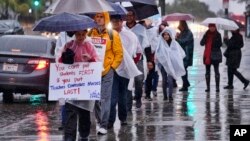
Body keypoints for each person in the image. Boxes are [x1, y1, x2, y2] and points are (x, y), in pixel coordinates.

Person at [88, 12, 123, 135]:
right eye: (97, 16)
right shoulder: (90, 33)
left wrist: (112, 67)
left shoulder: (113, 34)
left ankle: (104, 124)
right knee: (95, 98)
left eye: (101, 16)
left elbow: (119, 54)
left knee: (105, 98)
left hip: (107, 70)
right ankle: (99, 120)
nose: (99, 19)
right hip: (92, 70)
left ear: (106, 18)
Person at [61, 30, 99, 141]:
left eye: (83, 34)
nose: (81, 37)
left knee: (84, 113)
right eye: (78, 34)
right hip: (71, 85)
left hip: (86, 86)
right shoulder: (68, 45)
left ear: (86, 34)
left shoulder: (90, 46)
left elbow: (97, 63)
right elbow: (60, 62)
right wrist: (65, 57)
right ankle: (69, 138)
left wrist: (90, 59)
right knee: (70, 113)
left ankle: (83, 135)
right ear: (75, 34)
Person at [108, 15, 142, 128]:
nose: (115, 23)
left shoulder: (130, 35)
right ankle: (110, 120)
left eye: (117, 21)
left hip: (125, 70)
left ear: (121, 22)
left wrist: (132, 62)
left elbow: (138, 51)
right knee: (112, 97)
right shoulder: (107, 35)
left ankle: (123, 118)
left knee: (123, 96)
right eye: (112, 21)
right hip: (111, 69)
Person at [125, 10, 150, 108]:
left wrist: (150, 60)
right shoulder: (122, 28)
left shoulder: (140, 28)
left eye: (131, 15)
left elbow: (147, 44)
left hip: (138, 57)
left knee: (139, 79)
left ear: (134, 16)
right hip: (126, 58)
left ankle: (138, 97)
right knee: (127, 80)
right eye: (127, 15)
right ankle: (128, 102)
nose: (129, 17)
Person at [155, 27, 186, 101]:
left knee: (170, 79)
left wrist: (171, 57)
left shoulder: (174, 44)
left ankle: (170, 96)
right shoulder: (160, 44)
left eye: (167, 34)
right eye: (164, 34)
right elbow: (158, 54)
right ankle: (165, 96)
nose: (166, 36)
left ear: (170, 35)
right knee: (164, 79)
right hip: (163, 64)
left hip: (171, 64)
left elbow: (179, 54)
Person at [200, 24, 222, 92]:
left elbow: (220, 44)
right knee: (207, 72)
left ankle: (217, 88)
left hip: (215, 55)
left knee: (216, 71)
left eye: (213, 27)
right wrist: (205, 39)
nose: (212, 28)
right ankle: (208, 88)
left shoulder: (218, 35)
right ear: (209, 27)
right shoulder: (206, 34)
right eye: (210, 27)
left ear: (215, 27)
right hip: (207, 55)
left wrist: (214, 41)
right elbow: (201, 43)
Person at [176, 20, 194, 92]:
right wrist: (178, 36)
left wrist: (177, 39)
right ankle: (186, 83)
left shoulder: (189, 33)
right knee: (183, 69)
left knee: (183, 69)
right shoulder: (182, 33)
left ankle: (185, 85)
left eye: (180, 24)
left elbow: (184, 42)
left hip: (186, 54)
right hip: (182, 54)